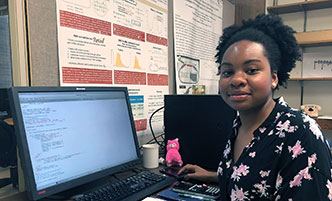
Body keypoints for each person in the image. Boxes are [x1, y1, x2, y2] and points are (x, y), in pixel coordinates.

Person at [178, 14, 332, 201]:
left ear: (274, 78)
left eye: (251, 70)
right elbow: (254, 178)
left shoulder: (301, 133)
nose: (236, 80)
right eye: (227, 72)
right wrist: (214, 175)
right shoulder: (239, 124)